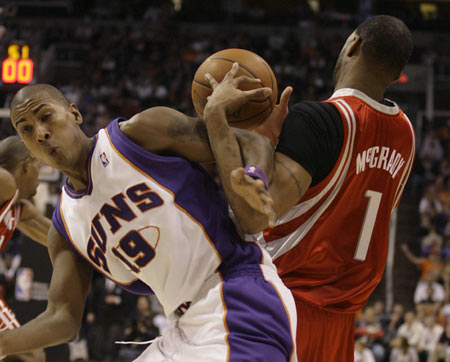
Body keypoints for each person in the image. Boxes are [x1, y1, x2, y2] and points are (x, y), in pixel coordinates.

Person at [2, 83, 297, 362]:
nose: (40, 133)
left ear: (75, 114)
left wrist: (254, 175)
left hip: (240, 295)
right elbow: (62, 317)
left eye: (46, 117)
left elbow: (249, 140)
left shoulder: (138, 134)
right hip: (183, 326)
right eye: (27, 129)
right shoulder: (64, 227)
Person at [202, 15, 415, 361]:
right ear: (395, 73)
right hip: (340, 324)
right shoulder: (405, 134)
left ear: (354, 45)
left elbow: (254, 216)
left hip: (281, 310)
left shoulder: (320, 121)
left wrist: (220, 123)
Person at [0, 136, 50, 361]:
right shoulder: (5, 182)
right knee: (30, 354)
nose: (40, 179)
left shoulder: (19, 210)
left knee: (31, 353)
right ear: (26, 166)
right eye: (40, 167)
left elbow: (64, 240)